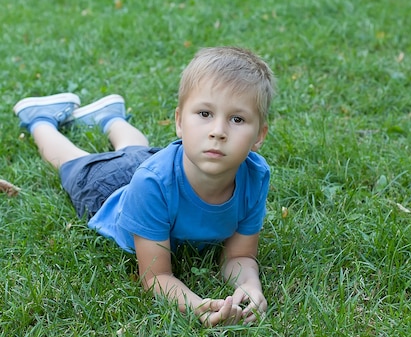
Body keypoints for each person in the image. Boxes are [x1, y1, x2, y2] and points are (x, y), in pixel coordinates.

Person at [13, 46, 276, 327]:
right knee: (72, 161)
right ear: (179, 121)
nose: (218, 131)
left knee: (134, 149)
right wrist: (197, 305)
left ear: (259, 135)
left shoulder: (255, 175)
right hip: (108, 189)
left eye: (237, 119)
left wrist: (250, 284)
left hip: (155, 162)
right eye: (204, 113)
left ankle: (110, 117)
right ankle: (40, 119)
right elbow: (156, 276)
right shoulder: (152, 184)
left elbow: (239, 255)